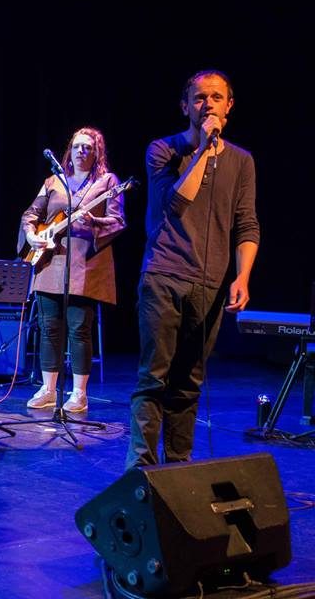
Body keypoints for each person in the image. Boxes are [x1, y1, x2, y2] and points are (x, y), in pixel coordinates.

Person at [125, 70, 260, 469]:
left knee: (189, 383)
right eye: (200, 98)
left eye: (216, 98)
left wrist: (242, 276)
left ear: (229, 106)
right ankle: (141, 472)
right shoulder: (163, 150)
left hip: (210, 284)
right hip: (163, 276)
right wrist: (203, 150)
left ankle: (179, 467)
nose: (208, 105)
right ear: (185, 106)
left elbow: (247, 224)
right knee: (154, 379)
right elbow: (176, 203)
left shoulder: (242, 162)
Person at [19, 127, 126, 413]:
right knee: (49, 328)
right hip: (50, 262)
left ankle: (79, 394)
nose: (81, 151)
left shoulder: (108, 182)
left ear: (96, 153)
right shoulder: (54, 181)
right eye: (77, 146)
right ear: (70, 150)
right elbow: (31, 214)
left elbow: (118, 220)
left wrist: (94, 221)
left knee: (79, 329)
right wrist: (31, 235)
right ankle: (48, 390)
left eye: (88, 147)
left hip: (85, 264)